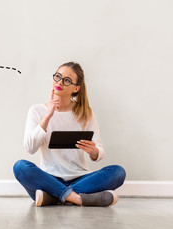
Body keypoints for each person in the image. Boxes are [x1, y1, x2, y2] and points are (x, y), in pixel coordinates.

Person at [13, 62, 126, 207]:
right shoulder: (36, 111)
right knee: (20, 167)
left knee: (118, 172)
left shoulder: (85, 113)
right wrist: (47, 116)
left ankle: (53, 197)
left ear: (76, 88)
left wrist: (94, 152)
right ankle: (78, 198)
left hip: (80, 178)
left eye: (66, 80)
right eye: (57, 77)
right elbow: (30, 148)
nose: (59, 82)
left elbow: (100, 152)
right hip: (49, 179)